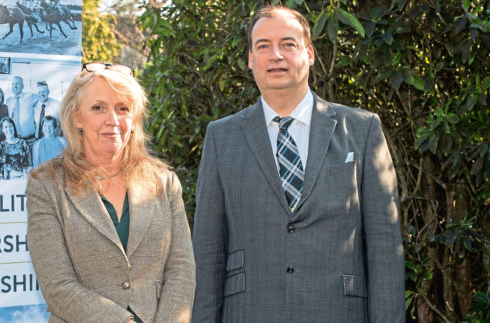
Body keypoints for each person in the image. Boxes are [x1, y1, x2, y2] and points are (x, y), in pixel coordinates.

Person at [191, 6, 405, 323]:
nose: (275, 55)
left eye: (288, 44)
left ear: (309, 53)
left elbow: (385, 248)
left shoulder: (362, 130)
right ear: (251, 59)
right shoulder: (222, 137)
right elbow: (208, 251)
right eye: (263, 46)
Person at [25, 63, 195, 323]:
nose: (112, 120)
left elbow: (182, 271)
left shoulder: (165, 183)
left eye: (122, 108)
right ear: (76, 117)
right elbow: (57, 286)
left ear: (134, 118)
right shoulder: (46, 185)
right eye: (98, 108)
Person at [5, 76, 36, 143]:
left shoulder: (30, 96)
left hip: (29, 140)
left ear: (23, 86)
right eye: (13, 84)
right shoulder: (8, 101)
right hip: (15, 141)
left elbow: (42, 97)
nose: (15, 86)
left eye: (17, 84)